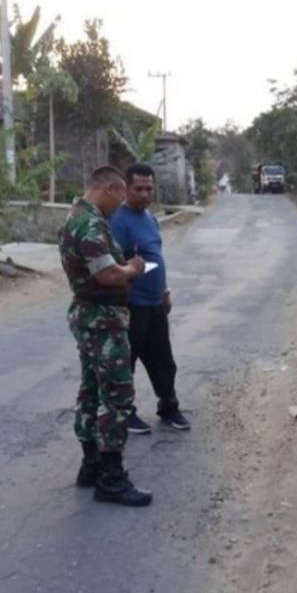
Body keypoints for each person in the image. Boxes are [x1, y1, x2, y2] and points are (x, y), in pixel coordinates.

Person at [59, 165, 152, 506]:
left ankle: (91, 464)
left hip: (89, 316)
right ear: (111, 190)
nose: (122, 203)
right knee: (116, 396)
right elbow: (109, 275)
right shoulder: (90, 224)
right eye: (122, 195)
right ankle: (111, 478)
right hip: (102, 320)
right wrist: (133, 269)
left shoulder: (75, 217)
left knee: (90, 388)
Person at [110, 163, 191, 434]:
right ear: (126, 189)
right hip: (132, 306)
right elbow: (115, 263)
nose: (145, 194)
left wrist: (165, 291)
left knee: (163, 361)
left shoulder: (150, 218)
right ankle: (125, 413)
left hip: (155, 302)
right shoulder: (117, 221)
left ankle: (169, 406)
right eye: (138, 189)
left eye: (149, 188)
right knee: (127, 362)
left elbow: (156, 258)